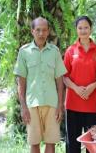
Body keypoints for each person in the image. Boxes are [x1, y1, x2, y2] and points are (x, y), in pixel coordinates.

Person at [13, 17, 67, 153]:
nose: (41, 34)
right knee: (34, 143)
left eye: (44, 30)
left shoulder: (54, 51)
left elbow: (60, 80)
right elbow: (21, 82)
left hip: (52, 103)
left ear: (48, 32)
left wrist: (61, 105)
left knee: (51, 142)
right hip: (32, 104)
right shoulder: (24, 52)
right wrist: (23, 106)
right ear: (32, 31)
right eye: (38, 30)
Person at [63, 16, 96, 153]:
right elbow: (64, 77)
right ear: (76, 30)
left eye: (86, 27)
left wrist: (93, 86)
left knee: (91, 144)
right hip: (73, 104)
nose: (83, 30)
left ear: (91, 29)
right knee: (73, 143)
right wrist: (76, 88)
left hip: (92, 104)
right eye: (80, 28)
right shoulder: (70, 51)